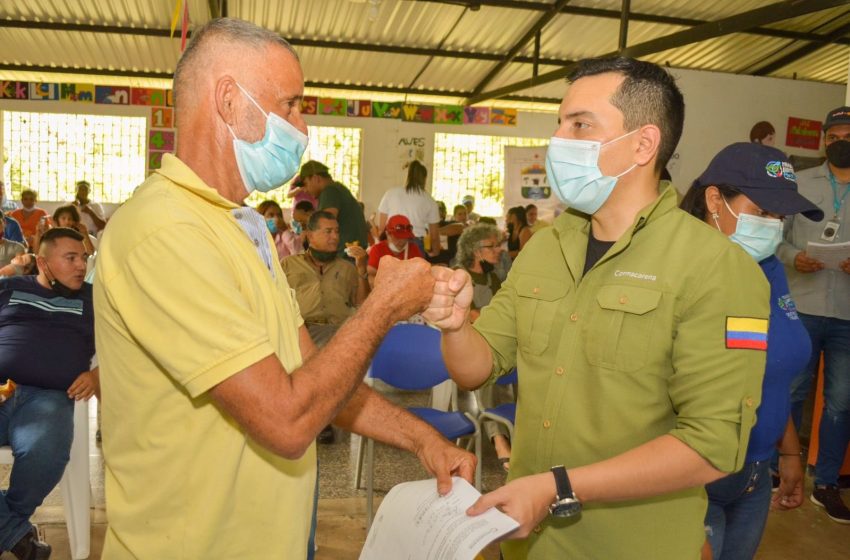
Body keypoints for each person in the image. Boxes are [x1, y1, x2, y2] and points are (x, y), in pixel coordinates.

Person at [93, 18, 475, 559]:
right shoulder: (166, 230)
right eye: (291, 105)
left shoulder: (238, 225)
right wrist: (385, 305)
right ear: (228, 99)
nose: (304, 126)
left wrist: (421, 439)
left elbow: (312, 377)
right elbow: (286, 419)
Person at [424, 56, 770, 559]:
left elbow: (713, 447)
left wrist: (556, 487)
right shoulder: (545, 247)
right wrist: (455, 325)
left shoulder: (716, 267)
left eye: (580, 124)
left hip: (629, 546)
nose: (559, 140)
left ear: (643, 143)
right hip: (526, 542)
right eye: (560, 123)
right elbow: (477, 369)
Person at [680, 142, 822, 559]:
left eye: (781, 216)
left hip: (757, 475)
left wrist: (789, 451)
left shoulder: (768, 268)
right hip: (693, 480)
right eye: (762, 212)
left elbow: (769, 371)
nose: (774, 226)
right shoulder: (682, 274)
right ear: (714, 200)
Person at [0, 227, 98, 560]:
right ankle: (14, 535)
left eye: (83, 258)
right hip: (1, 392)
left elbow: (127, 348)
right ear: (42, 262)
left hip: (49, 398)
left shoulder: (93, 300)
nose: (80, 266)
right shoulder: (10, 289)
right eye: (70, 258)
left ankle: (7, 528)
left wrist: (99, 374)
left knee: (45, 452)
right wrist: (11, 269)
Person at [778, 105, 850, 524]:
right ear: (824, 140)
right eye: (833, 136)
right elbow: (776, 237)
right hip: (800, 305)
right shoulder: (799, 183)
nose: (840, 142)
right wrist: (793, 256)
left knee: (841, 403)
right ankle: (777, 469)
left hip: (846, 314)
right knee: (791, 392)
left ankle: (825, 484)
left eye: (847, 135)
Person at [455, 223, 513, 469]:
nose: (499, 250)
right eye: (492, 246)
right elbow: (466, 315)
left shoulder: (492, 277)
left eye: (499, 244)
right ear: (475, 250)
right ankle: (499, 439)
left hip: (493, 338)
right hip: (467, 343)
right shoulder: (459, 276)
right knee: (487, 372)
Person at [281, 210, 369, 347]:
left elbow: (363, 305)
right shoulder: (288, 265)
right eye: (328, 231)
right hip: (302, 332)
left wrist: (362, 268)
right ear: (310, 236)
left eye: (337, 231)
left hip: (340, 331)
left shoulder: (347, 268)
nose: (335, 237)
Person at [299, 160, 368, 257]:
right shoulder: (338, 189)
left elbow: (326, 222)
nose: (304, 190)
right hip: (351, 255)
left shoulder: (330, 191)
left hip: (345, 258)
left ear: (315, 178)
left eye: (305, 184)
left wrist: (304, 218)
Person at [377, 161, 441, 257]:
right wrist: (435, 253)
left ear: (408, 176)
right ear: (424, 178)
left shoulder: (390, 193)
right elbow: (434, 235)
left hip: (392, 242)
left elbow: (382, 228)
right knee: (414, 272)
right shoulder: (430, 200)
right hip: (415, 244)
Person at [367, 214, 423, 286]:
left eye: (405, 237)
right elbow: (371, 272)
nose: (402, 241)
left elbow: (421, 270)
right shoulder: (377, 249)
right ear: (387, 234)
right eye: (397, 237)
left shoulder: (413, 248)